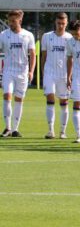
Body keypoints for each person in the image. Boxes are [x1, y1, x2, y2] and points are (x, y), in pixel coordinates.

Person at [0, 9, 36, 138]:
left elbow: (32, 54)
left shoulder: (28, 35)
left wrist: (31, 71)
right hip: (8, 70)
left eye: (13, 21)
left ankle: (15, 129)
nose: (11, 23)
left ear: (20, 20)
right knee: (7, 96)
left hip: (22, 72)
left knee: (19, 99)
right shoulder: (3, 34)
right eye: (9, 21)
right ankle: (7, 127)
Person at [40, 12, 73, 139]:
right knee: (50, 99)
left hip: (63, 74)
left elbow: (71, 58)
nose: (60, 26)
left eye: (63, 24)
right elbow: (44, 56)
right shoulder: (47, 36)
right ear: (55, 22)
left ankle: (63, 131)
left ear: (66, 23)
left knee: (64, 102)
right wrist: (43, 73)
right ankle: (50, 130)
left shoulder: (70, 38)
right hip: (50, 73)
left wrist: (70, 76)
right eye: (59, 23)